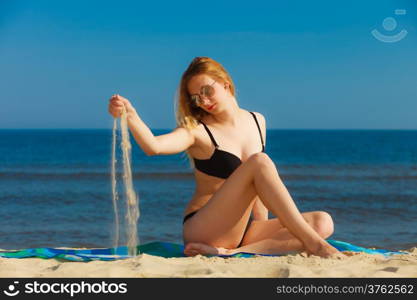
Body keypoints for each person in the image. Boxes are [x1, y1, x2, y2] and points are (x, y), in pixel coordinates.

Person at [108, 57, 344, 258]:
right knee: (260, 162)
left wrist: (261, 223)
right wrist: (131, 116)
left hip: (242, 231)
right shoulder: (197, 130)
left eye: (207, 91)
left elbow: (259, 187)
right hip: (204, 227)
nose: (204, 101)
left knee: (323, 222)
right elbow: (154, 147)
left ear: (225, 83)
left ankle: (230, 254)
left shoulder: (257, 120)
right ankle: (315, 245)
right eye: (196, 98)